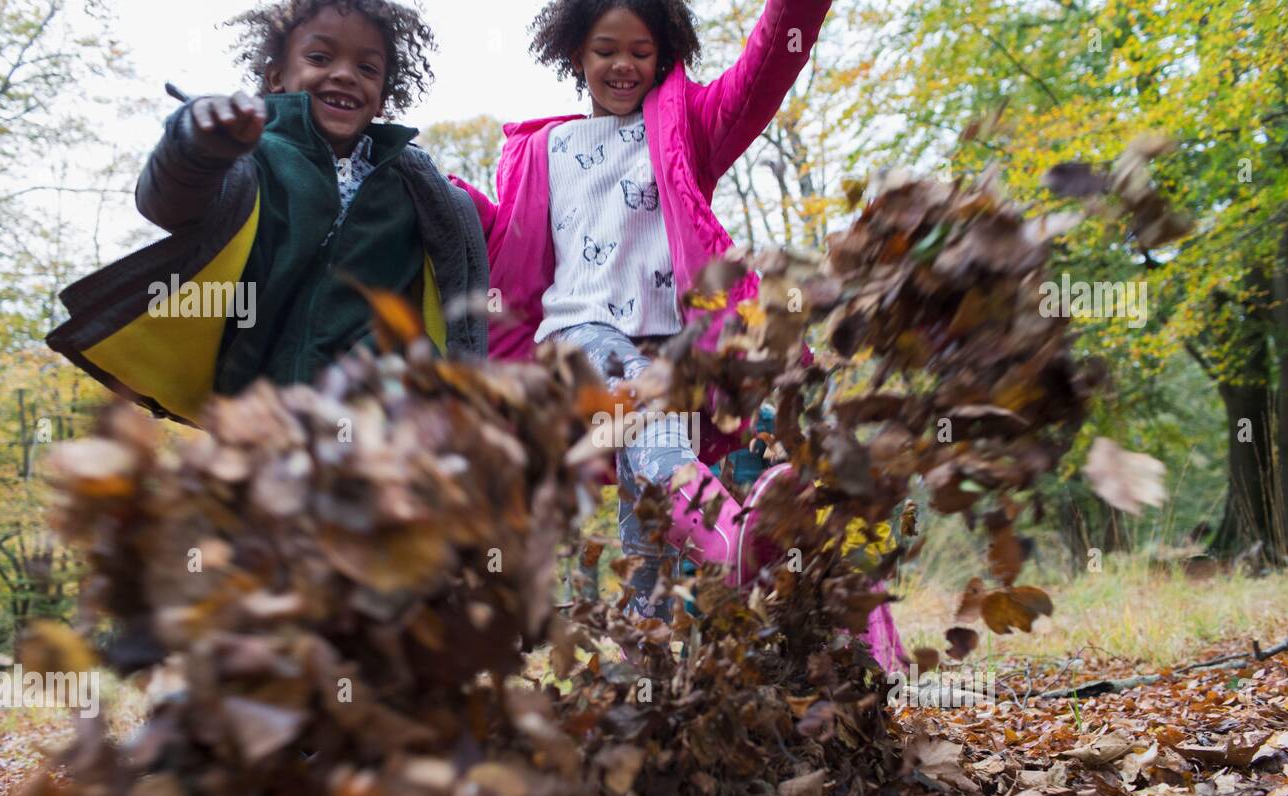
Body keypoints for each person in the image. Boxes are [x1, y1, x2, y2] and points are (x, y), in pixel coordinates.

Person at [451, 0, 833, 618]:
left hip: (669, 354)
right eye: (606, 51)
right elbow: (510, 241)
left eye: (640, 51)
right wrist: (450, 197)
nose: (623, 65)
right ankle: (727, 531)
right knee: (634, 397)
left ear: (664, 56)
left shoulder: (686, 128)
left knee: (648, 532)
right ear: (576, 55)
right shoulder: (545, 148)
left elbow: (763, 73)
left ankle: (643, 681)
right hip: (578, 338)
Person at [48, 0, 488, 425]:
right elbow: (167, 203)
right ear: (277, 76)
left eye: (367, 68)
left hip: (381, 419)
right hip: (262, 411)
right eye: (320, 56)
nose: (344, 75)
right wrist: (196, 148)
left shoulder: (413, 187)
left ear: (383, 98)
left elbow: (454, 286)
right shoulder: (248, 156)